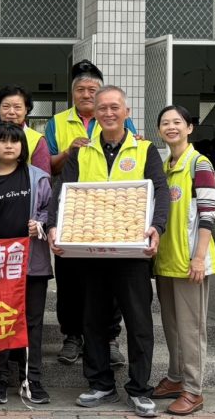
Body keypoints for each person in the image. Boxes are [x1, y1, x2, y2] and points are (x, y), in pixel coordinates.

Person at [50, 85, 169, 418]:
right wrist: (54, 225)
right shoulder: (82, 152)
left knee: (139, 322)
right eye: (102, 108)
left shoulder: (144, 150)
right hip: (92, 251)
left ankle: (139, 388)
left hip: (132, 253)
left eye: (115, 107)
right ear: (95, 114)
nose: (108, 113)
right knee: (93, 321)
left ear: (126, 112)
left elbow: (159, 191)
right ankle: (100, 383)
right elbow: (62, 192)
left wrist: (157, 227)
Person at [0, 123, 53, 406]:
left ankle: (32, 381)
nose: (8, 145)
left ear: (22, 146)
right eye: (2, 141)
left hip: (32, 264)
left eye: (14, 141)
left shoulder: (38, 177)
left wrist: (40, 224)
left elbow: (50, 210)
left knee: (33, 324)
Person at [45, 60, 125, 367]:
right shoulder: (57, 122)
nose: (87, 94)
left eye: (93, 89)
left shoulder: (116, 118)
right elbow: (48, 165)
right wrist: (68, 152)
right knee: (69, 277)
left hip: (109, 211)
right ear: (72, 93)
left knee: (110, 277)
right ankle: (72, 336)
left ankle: (110, 337)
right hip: (71, 210)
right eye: (81, 89)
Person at [152, 106, 215, 416]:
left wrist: (199, 257)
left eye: (177, 122)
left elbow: (208, 214)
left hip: (192, 261)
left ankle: (193, 390)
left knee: (191, 330)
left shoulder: (198, 163)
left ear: (189, 128)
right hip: (167, 260)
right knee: (172, 327)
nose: (171, 127)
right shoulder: (165, 166)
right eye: (165, 123)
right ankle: (176, 377)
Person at [0, 85, 50, 175]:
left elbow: (42, 178)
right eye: (6, 106)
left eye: (17, 107)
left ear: (26, 110)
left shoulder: (38, 140)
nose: (11, 112)